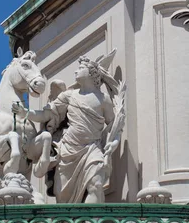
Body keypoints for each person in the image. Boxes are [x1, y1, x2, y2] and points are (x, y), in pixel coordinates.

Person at [11, 55, 122, 206]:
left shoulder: (103, 100)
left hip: (91, 149)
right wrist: (26, 113)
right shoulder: (69, 96)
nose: (76, 71)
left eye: (81, 68)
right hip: (68, 150)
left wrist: (114, 142)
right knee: (62, 197)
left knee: (95, 185)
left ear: (91, 73)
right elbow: (47, 114)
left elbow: (115, 126)